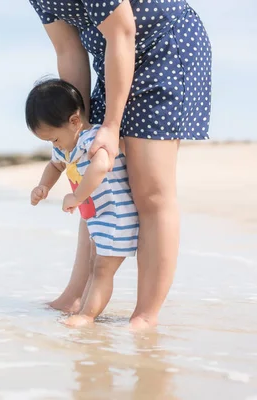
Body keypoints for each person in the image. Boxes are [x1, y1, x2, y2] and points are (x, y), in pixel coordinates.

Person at [27, 0, 212, 329]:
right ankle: (77, 296)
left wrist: (111, 126)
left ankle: (145, 315)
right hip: (111, 56)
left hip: (161, 47)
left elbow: (123, 31)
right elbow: (68, 48)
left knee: (150, 189)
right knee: (92, 175)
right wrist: (76, 131)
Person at [26, 78, 138, 326]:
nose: (54, 145)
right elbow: (55, 165)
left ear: (75, 121)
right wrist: (43, 185)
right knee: (93, 267)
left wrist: (77, 196)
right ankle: (85, 311)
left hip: (118, 215)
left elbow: (101, 165)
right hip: (100, 216)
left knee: (102, 270)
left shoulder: (92, 139)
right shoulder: (66, 147)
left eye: (54, 139)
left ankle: (87, 315)